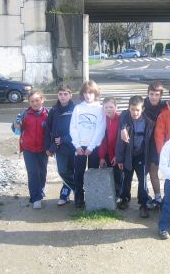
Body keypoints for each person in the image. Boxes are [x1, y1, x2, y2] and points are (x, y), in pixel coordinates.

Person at [120, 82, 166, 209]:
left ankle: (158, 198)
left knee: (157, 171)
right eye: (151, 94)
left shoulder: (165, 105)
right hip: (144, 143)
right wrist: (123, 127)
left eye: (157, 95)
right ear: (147, 94)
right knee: (146, 172)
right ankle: (152, 198)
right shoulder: (143, 104)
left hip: (159, 141)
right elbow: (125, 113)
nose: (154, 97)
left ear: (161, 95)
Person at [116, 95, 155, 218]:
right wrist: (120, 159)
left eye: (137, 110)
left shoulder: (148, 122)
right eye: (132, 109)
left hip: (142, 156)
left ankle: (143, 204)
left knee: (142, 181)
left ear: (142, 109)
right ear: (129, 109)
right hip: (128, 156)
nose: (135, 112)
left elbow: (151, 142)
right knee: (126, 178)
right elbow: (120, 142)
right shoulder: (125, 120)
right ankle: (124, 199)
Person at [69, 80, 106, 208]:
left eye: (91, 93)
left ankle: (93, 198)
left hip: (94, 147)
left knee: (92, 173)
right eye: (85, 93)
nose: (88, 95)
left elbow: (100, 129)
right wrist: (77, 145)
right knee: (78, 173)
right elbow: (73, 128)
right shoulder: (78, 108)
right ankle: (79, 198)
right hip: (79, 147)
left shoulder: (100, 109)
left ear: (95, 94)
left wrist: (91, 147)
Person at [12, 90, 48, 209]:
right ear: (29, 103)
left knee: (42, 172)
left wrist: (52, 147)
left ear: (42, 100)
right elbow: (16, 129)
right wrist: (15, 126)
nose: (35, 103)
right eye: (32, 101)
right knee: (33, 173)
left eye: (37, 100)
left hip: (43, 149)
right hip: (28, 149)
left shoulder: (48, 114)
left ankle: (41, 189)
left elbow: (53, 131)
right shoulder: (25, 114)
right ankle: (35, 198)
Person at [45, 84, 75, 206]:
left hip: (74, 146)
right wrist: (49, 147)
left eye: (65, 94)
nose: (63, 96)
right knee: (63, 171)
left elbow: (78, 129)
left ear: (70, 95)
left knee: (73, 171)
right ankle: (79, 190)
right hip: (59, 148)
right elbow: (48, 130)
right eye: (60, 94)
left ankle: (64, 194)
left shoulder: (76, 109)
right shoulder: (53, 110)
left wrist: (64, 139)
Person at [98, 97, 122, 200]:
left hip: (117, 153)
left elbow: (120, 141)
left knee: (118, 175)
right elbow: (102, 140)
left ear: (116, 107)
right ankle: (108, 195)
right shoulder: (103, 120)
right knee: (108, 174)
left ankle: (119, 195)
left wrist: (117, 155)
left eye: (111, 107)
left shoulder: (120, 119)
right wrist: (102, 157)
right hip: (107, 153)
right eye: (106, 107)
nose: (108, 109)